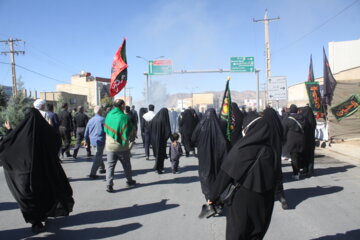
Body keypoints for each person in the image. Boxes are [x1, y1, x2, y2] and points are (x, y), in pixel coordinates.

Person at [0, 108, 74, 233]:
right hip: (43, 172)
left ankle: (36, 221)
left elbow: (8, 144)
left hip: (25, 174)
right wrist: (50, 128)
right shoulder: (45, 131)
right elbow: (56, 142)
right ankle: (43, 216)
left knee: (29, 197)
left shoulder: (21, 132)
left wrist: (10, 130)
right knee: (44, 193)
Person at [208, 114, 276, 240]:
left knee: (237, 232)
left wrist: (213, 196)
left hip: (241, 199)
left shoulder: (241, 148)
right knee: (256, 232)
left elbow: (225, 174)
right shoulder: (270, 150)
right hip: (264, 199)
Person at [191, 108, 227, 201]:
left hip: (203, 155)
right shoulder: (221, 124)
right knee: (216, 174)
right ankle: (217, 198)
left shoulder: (200, 125)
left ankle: (209, 198)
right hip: (218, 155)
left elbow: (193, 138)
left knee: (205, 175)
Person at [104, 99, 136, 193]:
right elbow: (129, 132)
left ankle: (109, 185)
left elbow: (105, 128)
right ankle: (129, 181)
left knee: (110, 166)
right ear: (122, 105)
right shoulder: (124, 117)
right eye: (124, 105)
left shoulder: (109, 115)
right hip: (122, 146)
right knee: (126, 165)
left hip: (110, 146)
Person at [263, 107, 289, 210]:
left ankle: (267, 198)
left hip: (266, 155)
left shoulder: (263, 125)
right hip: (276, 154)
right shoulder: (279, 125)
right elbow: (283, 138)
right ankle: (282, 197)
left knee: (266, 176)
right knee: (278, 175)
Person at [282, 104, 305, 180]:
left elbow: (284, 131)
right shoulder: (302, 118)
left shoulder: (288, 120)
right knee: (300, 156)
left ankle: (296, 173)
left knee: (294, 158)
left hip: (292, 141)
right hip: (301, 140)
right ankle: (300, 170)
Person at [84, 106, 106, 179]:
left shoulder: (90, 120)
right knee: (98, 156)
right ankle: (92, 173)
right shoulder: (103, 119)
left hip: (92, 140)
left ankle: (102, 168)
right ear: (100, 111)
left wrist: (85, 140)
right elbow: (107, 130)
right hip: (100, 140)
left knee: (98, 154)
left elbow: (86, 131)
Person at [150, 108, 171, 174]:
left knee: (157, 153)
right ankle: (159, 168)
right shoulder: (164, 119)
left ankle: (157, 166)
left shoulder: (154, 118)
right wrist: (165, 138)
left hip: (154, 140)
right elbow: (168, 131)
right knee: (161, 154)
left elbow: (149, 128)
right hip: (161, 140)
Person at [300, 106, 316, 177]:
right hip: (311, 140)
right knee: (311, 156)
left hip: (304, 140)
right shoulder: (313, 120)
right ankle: (310, 170)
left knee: (304, 156)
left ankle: (305, 169)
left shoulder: (303, 120)